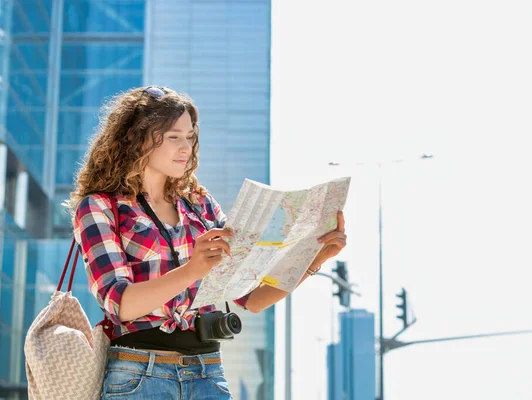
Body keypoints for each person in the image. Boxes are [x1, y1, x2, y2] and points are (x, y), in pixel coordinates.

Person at [67, 86, 347, 399]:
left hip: (207, 371)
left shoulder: (201, 205)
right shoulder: (100, 207)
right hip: (137, 374)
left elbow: (251, 298)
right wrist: (193, 269)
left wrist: (312, 261)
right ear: (138, 138)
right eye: (173, 136)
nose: (185, 146)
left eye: (190, 136)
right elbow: (121, 304)